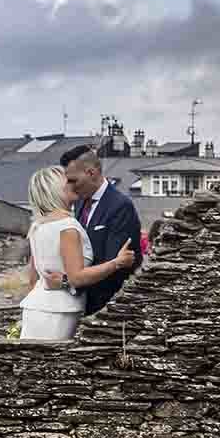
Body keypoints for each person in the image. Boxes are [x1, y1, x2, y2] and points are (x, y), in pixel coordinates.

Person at [20, 166, 135, 340]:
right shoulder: (67, 227)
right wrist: (117, 262)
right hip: (58, 310)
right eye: (69, 181)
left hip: (36, 306)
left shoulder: (38, 226)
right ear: (56, 191)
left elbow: (33, 278)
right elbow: (76, 277)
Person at [43, 145, 143, 316]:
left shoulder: (120, 206)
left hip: (105, 309)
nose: (70, 187)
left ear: (91, 173)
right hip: (77, 304)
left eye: (74, 180)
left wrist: (68, 282)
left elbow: (115, 266)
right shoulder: (80, 201)